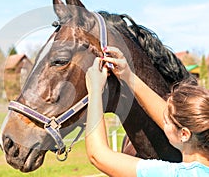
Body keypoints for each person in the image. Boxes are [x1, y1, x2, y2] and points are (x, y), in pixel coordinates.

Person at [85, 46, 209, 177]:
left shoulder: (172, 174)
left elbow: (98, 155)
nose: (163, 120)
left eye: (166, 121)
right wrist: (128, 76)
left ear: (184, 134)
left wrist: (95, 91)